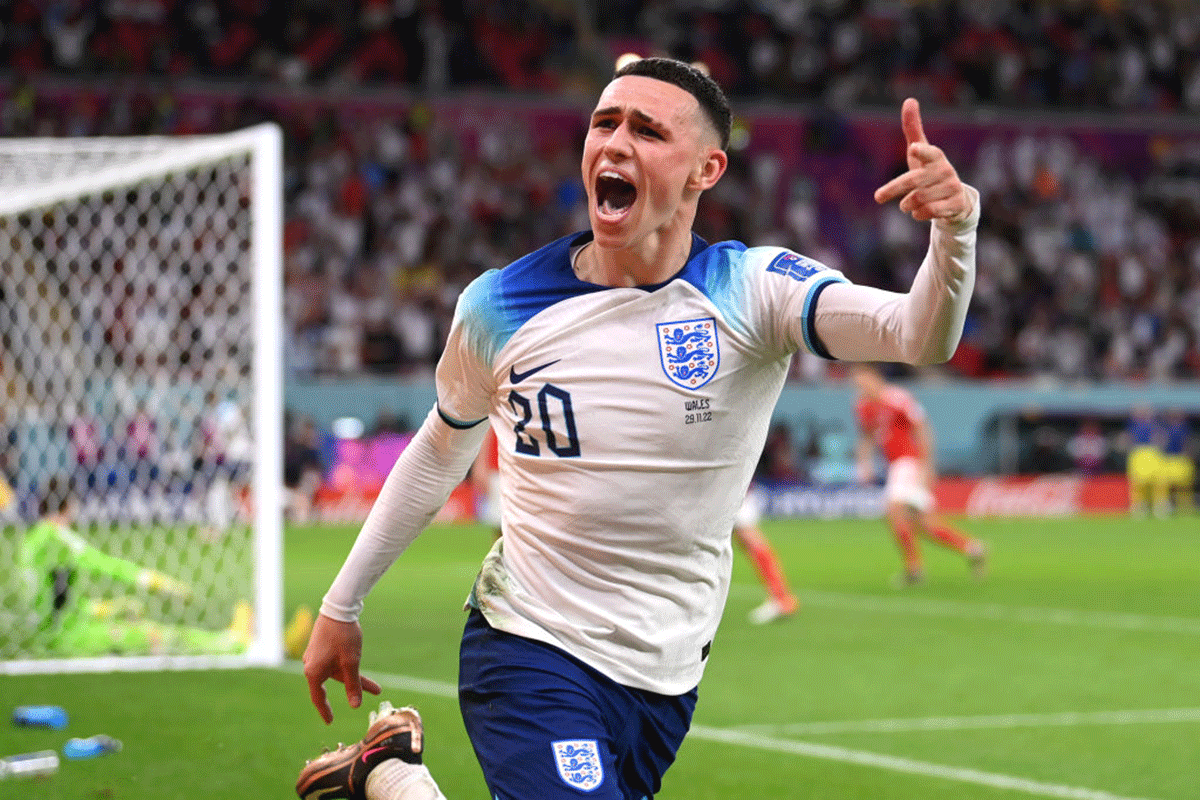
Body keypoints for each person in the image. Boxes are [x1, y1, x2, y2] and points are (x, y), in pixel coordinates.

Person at [299, 56, 980, 800]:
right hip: (528, 641)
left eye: (649, 131)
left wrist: (955, 230)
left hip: (667, 673)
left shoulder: (753, 291)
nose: (615, 143)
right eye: (603, 123)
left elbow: (919, 335)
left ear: (706, 169)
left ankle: (389, 779)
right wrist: (343, 603)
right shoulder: (498, 306)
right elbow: (440, 448)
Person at [17, 478, 252, 657]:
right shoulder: (57, 538)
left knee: (131, 624)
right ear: (69, 506)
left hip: (50, 634)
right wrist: (159, 582)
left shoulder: (31, 541)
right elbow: (106, 565)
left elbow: (54, 602)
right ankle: (231, 643)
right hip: (66, 639)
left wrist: (110, 607)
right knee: (159, 634)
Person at [851, 363, 987, 586]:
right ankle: (972, 548)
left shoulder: (897, 398)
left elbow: (922, 427)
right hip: (895, 465)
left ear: (875, 378)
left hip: (909, 462)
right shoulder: (863, 406)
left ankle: (914, 569)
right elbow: (866, 435)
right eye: (856, 384)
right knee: (922, 523)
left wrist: (927, 465)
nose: (860, 387)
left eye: (863, 381)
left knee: (893, 510)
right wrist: (863, 462)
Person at [734, 487, 800, 624]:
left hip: (731, 491)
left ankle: (781, 598)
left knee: (750, 539)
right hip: (733, 489)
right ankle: (781, 598)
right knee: (747, 541)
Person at [1124, 404, 1164, 517]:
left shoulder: (1155, 424)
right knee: (1137, 482)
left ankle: (1159, 506)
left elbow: (1160, 438)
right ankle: (1138, 506)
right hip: (1138, 452)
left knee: (1157, 480)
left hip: (1152, 452)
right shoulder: (1132, 425)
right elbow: (1128, 439)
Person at [1156, 409, 1194, 515]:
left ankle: (1185, 507)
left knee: (1183, 484)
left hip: (1180, 458)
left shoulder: (1184, 428)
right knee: (1163, 485)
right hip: (1167, 459)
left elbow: (1187, 443)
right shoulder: (1165, 428)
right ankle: (1163, 506)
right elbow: (1160, 442)